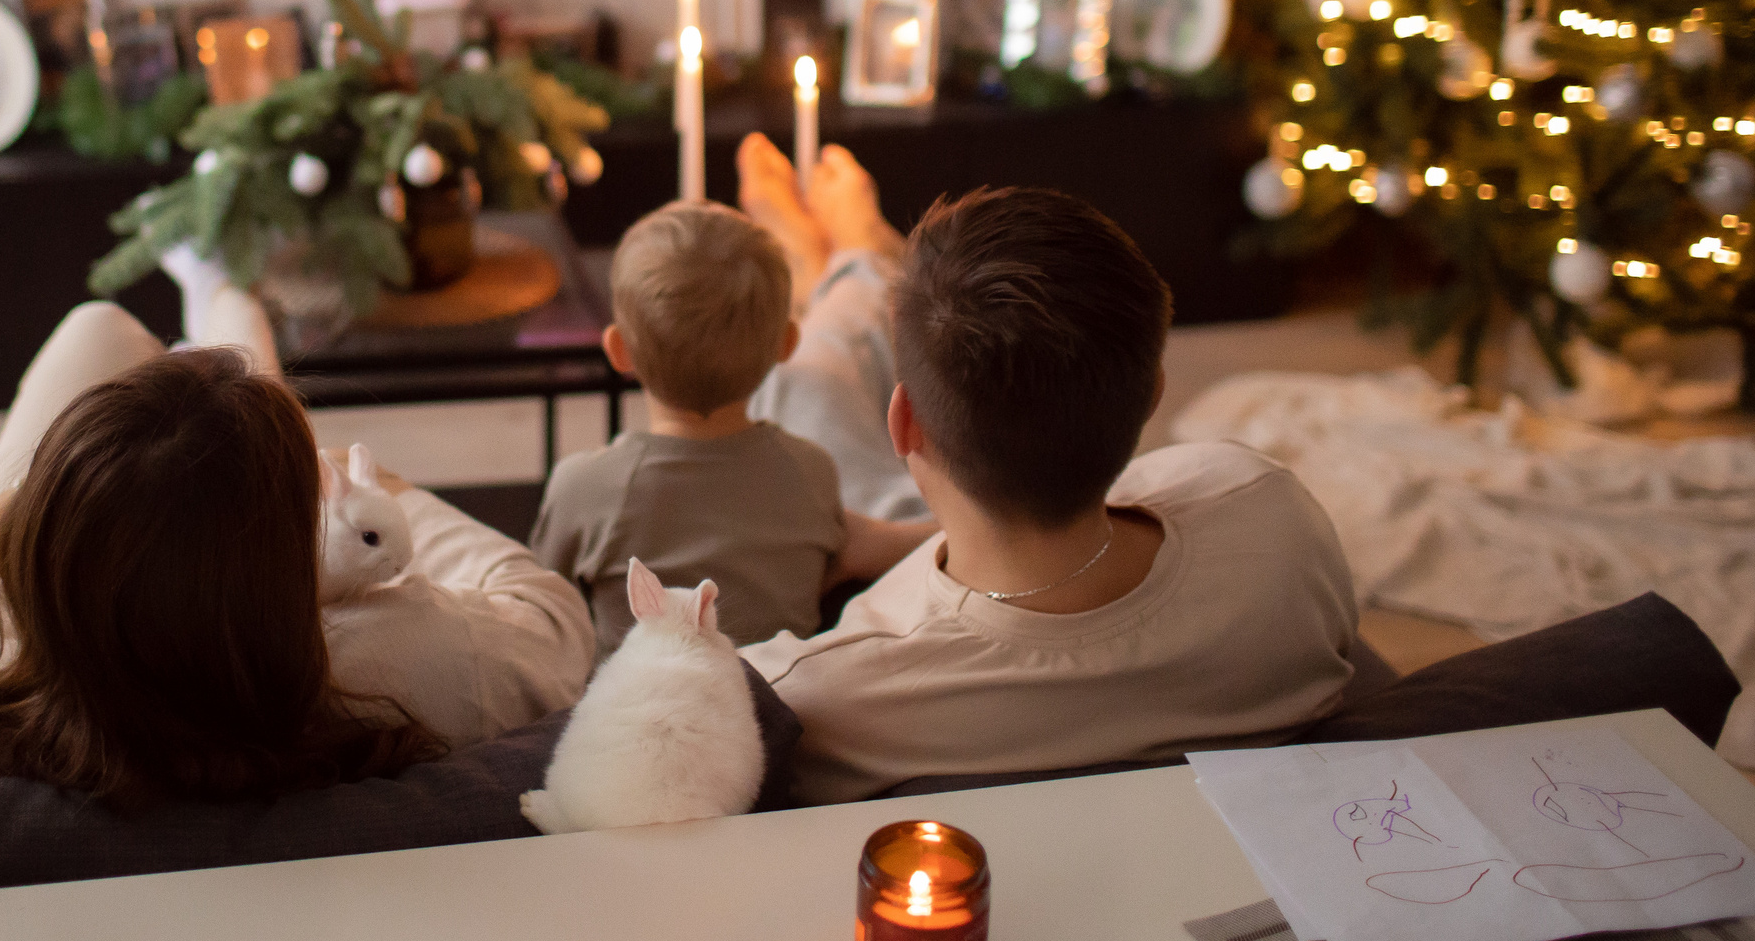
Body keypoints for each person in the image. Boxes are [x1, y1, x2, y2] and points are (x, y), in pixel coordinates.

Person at [0, 261, 595, 815]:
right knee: (170, 372)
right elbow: (554, 618)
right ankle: (224, 296)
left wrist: (38, 501)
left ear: (43, 553)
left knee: (98, 328)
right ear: (276, 577)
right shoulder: (410, 661)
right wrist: (380, 494)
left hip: (57, 599)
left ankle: (215, 305)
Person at [737, 168, 1360, 806]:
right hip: (935, 516)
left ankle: (845, 274)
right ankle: (850, 266)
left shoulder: (818, 694)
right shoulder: (1262, 502)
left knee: (806, 385)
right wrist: (891, 543)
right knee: (825, 397)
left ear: (905, 423)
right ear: (1152, 395)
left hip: (917, 507)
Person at [528, 202, 932, 659]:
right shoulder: (810, 473)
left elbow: (545, 608)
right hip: (774, 713)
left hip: (634, 715)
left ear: (619, 350)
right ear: (787, 345)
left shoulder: (584, 487)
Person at [736, 137, 926, 521]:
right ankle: (859, 261)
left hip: (889, 524)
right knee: (823, 356)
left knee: (803, 367)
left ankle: (827, 269)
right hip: (917, 522)